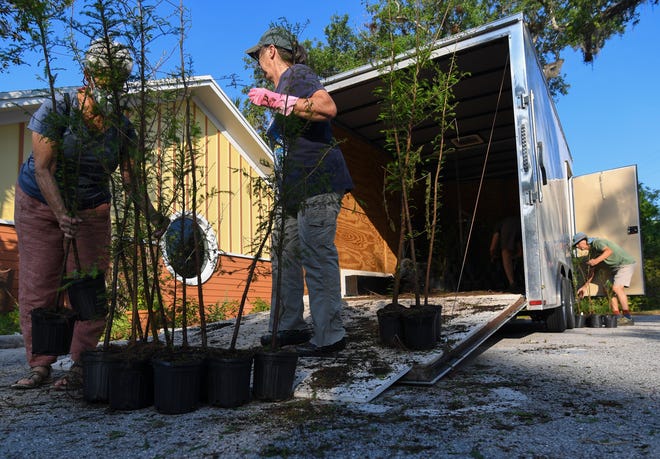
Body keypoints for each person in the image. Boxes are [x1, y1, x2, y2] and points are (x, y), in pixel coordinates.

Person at [11, 40, 168, 390]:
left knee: (90, 288)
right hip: (39, 203)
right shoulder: (58, 108)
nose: (112, 87)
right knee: (40, 286)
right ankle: (40, 365)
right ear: (88, 74)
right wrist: (61, 213)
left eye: (119, 81)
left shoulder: (122, 129)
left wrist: (156, 218)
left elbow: (131, 182)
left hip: (92, 208)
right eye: (105, 78)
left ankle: (81, 365)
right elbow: (43, 169)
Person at [245, 27, 354, 356]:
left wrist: (278, 101)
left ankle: (330, 335)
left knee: (316, 254)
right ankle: (289, 327)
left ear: (272, 52)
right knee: (284, 254)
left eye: (259, 56)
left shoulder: (297, 75)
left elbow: (326, 107)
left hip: (317, 182)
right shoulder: (284, 83)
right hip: (293, 190)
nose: (258, 64)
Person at [573, 232, 636, 325]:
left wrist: (596, 261)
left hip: (625, 264)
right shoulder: (592, 252)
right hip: (615, 268)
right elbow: (592, 271)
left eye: (577, 243)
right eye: (575, 245)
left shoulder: (597, 242)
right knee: (607, 289)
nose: (577, 246)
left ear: (584, 241)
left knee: (617, 288)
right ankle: (617, 316)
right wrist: (585, 286)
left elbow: (608, 251)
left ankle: (628, 317)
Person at [489, 215, 523, 292]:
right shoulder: (514, 221)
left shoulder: (499, 225)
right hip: (520, 223)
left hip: (510, 225)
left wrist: (493, 255)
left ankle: (512, 283)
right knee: (518, 253)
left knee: (505, 252)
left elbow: (492, 247)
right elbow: (519, 248)